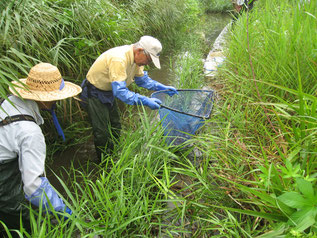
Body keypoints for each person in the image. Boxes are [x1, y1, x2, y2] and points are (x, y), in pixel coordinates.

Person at [0, 63, 82, 237]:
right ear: (46, 99)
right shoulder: (30, 132)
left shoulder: (9, 101)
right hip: (3, 181)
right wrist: (65, 213)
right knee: (25, 225)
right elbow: (33, 187)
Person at [80, 35, 178, 160]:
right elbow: (120, 92)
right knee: (102, 132)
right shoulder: (119, 59)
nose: (147, 63)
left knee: (115, 125)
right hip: (95, 93)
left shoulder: (137, 60)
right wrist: (145, 101)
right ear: (139, 51)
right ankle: (104, 163)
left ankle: (114, 154)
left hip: (109, 91)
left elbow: (143, 81)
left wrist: (163, 87)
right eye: (148, 60)